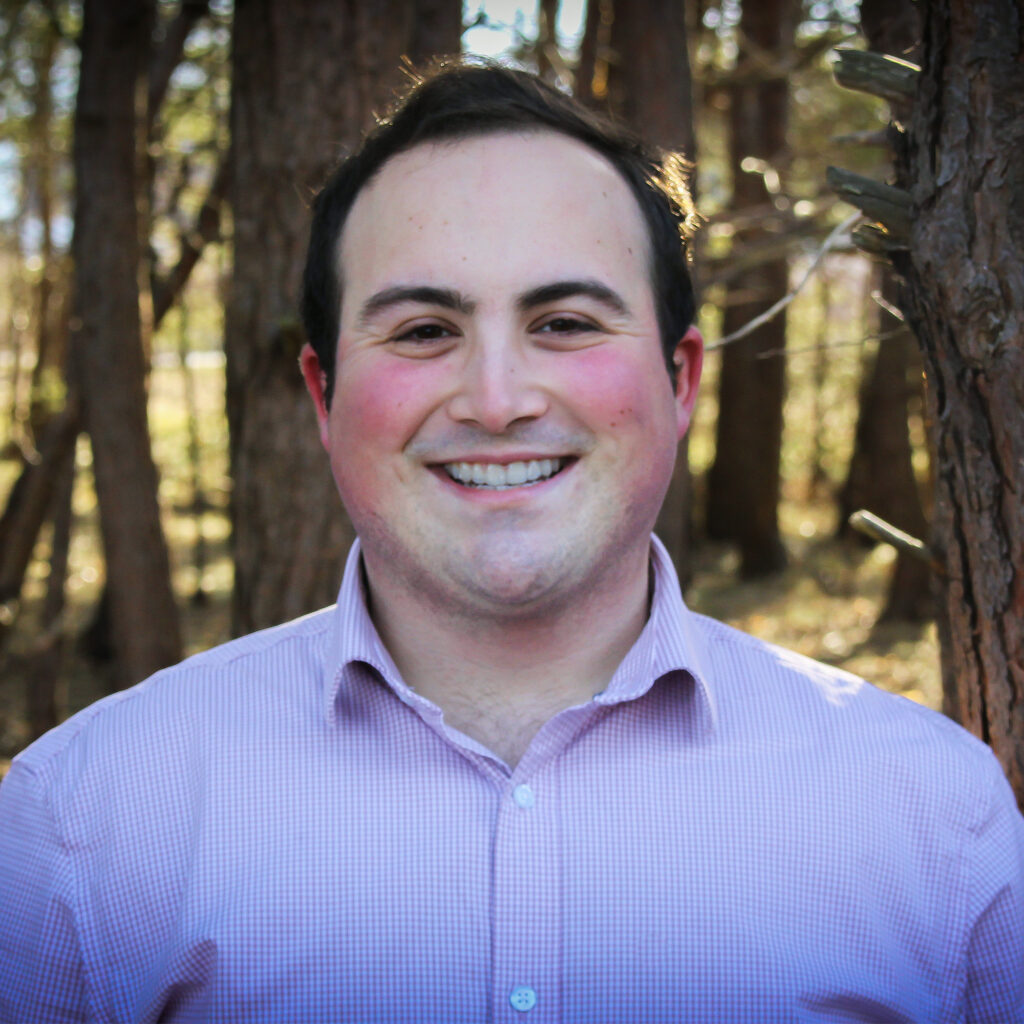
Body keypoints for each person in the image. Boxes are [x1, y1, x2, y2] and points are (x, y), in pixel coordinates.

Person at [1, 62, 1021, 1024]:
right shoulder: (85, 823)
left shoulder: (934, 816)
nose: (495, 401)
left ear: (682, 383)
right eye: (422, 331)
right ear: (323, 393)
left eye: (566, 321)